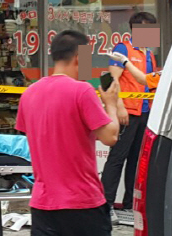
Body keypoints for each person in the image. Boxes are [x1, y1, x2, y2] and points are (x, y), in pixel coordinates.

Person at [16, 30, 120, 236]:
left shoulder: (29, 94)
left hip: (43, 204)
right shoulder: (82, 91)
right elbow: (110, 137)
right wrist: (111, 105)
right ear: (79, 57)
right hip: (82, 202)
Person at [100, 12, 158, 224]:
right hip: (127, 113)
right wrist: (120, 106)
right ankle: (105, 205)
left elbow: (147, 83)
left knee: (136, 160)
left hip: (144, 112)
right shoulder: (123, 48)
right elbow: (113, 79)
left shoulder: (149, 54)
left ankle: (128, 204)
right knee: (117, 158)